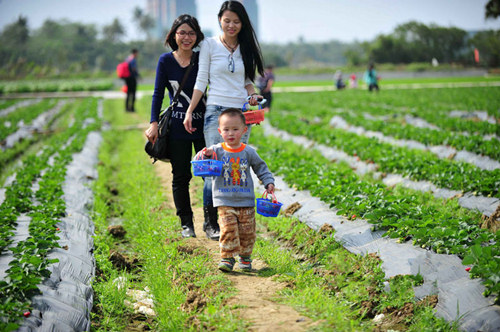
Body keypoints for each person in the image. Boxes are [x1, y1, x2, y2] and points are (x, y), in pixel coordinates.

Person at [183, 0, 265, 241]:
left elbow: (248, 81)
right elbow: (201, 81)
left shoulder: (246, 48)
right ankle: (211, 222)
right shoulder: (209, 45)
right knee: (214, 167)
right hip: (215, 112)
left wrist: (252, 96)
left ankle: (234, 217)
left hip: (241, 114)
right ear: (220, 19)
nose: (231, 25)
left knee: (237, 166)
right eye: (227, 20)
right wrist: (190, 111)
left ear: (242, 24)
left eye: (236, 21)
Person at [144, 15, 206, 238]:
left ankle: (211, 222)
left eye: (191, 33)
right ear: (174, 36)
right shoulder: (166, 61)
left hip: (202, 126)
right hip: (177, 128)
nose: (187, 37)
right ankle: (186, 223)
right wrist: (154, 124)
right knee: (181, 176)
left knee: (210, 174)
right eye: (182, 33)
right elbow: (158, 93)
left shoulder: (202, 58)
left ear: (197, 36)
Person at [195, 108, 275, 272]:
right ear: (220, 131)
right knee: (228, 229)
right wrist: (205, 154)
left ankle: (245, 257)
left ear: (244, 130)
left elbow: (261, 168)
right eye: (226, 129)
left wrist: (268, 182)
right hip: (224, 200)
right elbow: (197, 161)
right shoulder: (216, 150)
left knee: (248, 231)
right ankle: (227, 258)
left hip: (246, 200)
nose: (230, 133)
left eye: (235, 129)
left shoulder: (248, 151)